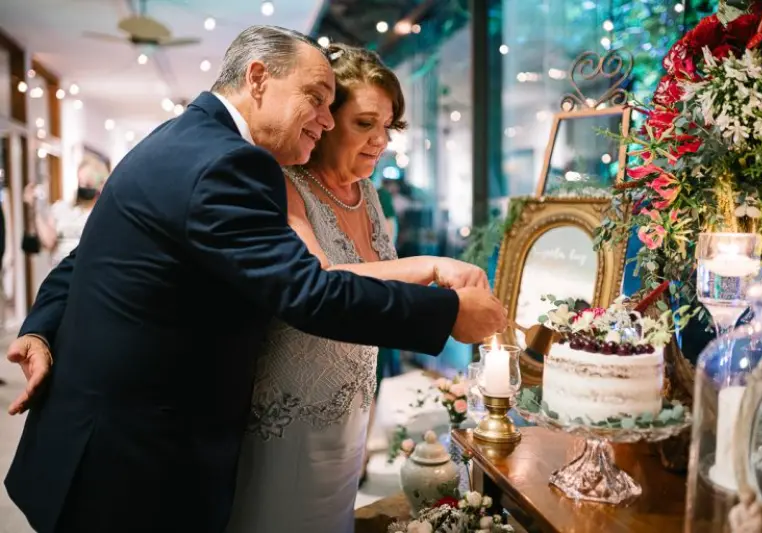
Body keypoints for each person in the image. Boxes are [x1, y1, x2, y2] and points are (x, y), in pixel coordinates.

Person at [4, 26, 507, 533]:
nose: (325, 120)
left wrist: (39, 327)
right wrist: (449, 314)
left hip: (101, 443)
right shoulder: (230, 163)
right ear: (259, 78)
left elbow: (82, 257)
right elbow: (309, 292)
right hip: (134, 464)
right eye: (316, 98)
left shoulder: (178, 137)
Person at [225, 44, 488, 532]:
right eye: (365, 123)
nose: (381, 140)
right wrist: (431, 269)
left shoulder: (367, 192)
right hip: (291, 413)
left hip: (351, 413)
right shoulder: (283, 184)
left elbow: (376, 278)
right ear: (324, 120)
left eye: (387, 126)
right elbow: (319, 276)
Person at [23, 161, 105, 267]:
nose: (83, 186)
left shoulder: (103, 213)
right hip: (60, 271)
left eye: (88, 184)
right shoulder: (61, 208)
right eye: (80, 182)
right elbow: (49, 242)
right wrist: (33, 208)